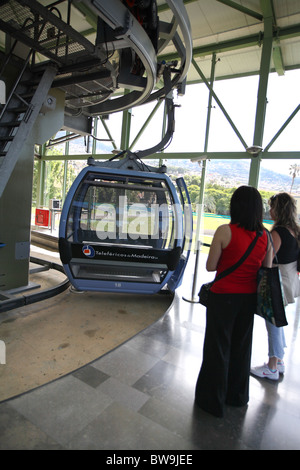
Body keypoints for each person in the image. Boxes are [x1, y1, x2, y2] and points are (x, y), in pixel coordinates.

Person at [195, 185, 271, 418]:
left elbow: (210, 266)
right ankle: (237, 397)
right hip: (247, 299)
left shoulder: (224, 231)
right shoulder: (265, 235)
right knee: (241, 347)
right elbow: (265, 270)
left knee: (217, 348)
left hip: (223, 296)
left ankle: (212, 401)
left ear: (234, 206)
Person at [251, 192, 300, 380]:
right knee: (278, 320)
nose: (270, 211)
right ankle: (279, 360)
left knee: (272, 321)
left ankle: (272, 365)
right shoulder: (294, 230)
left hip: (277, 282)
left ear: (278, 210)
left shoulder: (277, 233)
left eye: (272, 207)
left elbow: (267, 261)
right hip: (290, 281)